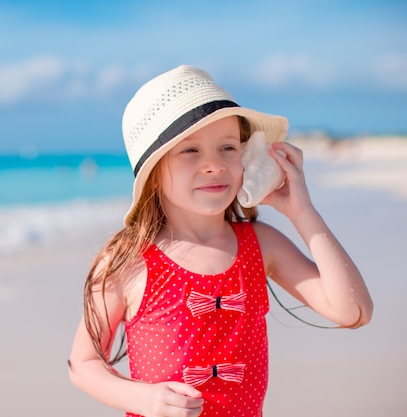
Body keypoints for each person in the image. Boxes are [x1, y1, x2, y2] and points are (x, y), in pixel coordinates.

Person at [68, 65, 373, 417]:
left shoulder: (261, 245)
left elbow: (353, 311)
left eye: (227, 147)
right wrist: (142, 399)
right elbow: (83, 363)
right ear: (153, 172)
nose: (214, 164)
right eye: (190, 151)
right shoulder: (129, 260)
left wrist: (302, 212)